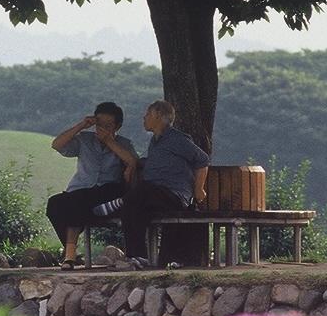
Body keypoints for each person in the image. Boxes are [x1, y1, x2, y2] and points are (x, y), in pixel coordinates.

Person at [89, 100, 209, 267]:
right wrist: (133, 165)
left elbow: (202, 160)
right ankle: (137, 256)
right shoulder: (155, 141)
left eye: (147, 115)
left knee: (141, 193)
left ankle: (120, 202)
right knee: (131, 208)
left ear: (158, 116)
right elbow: (151, 163)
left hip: (173, 194)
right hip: (152, 195)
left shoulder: (177, 139)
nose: (143, 118)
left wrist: (199, 190)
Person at [45, 102, 139, 266]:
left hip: (108, 191)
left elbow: (133, 162)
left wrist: (110, 142)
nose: (102, 129)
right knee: (54, 204)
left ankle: (70, 255)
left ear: (117, 126)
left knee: (77, 202)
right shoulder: (85, 140)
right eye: (99, 124)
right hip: (80, 191)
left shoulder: (123, 143)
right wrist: (81, 125)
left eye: (108, 125)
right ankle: (71, 252)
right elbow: (57, 145)